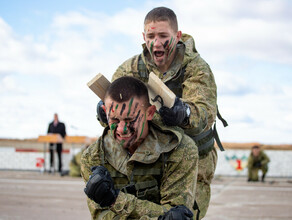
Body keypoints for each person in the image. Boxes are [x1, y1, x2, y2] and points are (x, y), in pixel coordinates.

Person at [96, 6, 227, 218]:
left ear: (177, 36)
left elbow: (205, 113)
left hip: (193, 158)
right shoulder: (130, 68)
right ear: (143, 37)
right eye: (151, 36)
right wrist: (104, 114)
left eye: (163, 36)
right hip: (152, 156)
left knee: (182, 215)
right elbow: (118, 110)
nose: (156, 43)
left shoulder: (196, 68)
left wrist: (183, 113)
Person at [81, 76, 199, 219]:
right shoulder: (93, 157)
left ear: (149, 113)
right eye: (114, 120)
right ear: (105, 113)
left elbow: (177, 214)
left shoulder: (180, 150)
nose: (121, 129)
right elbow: (102, 216)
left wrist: (114, 200)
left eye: (130, 120)